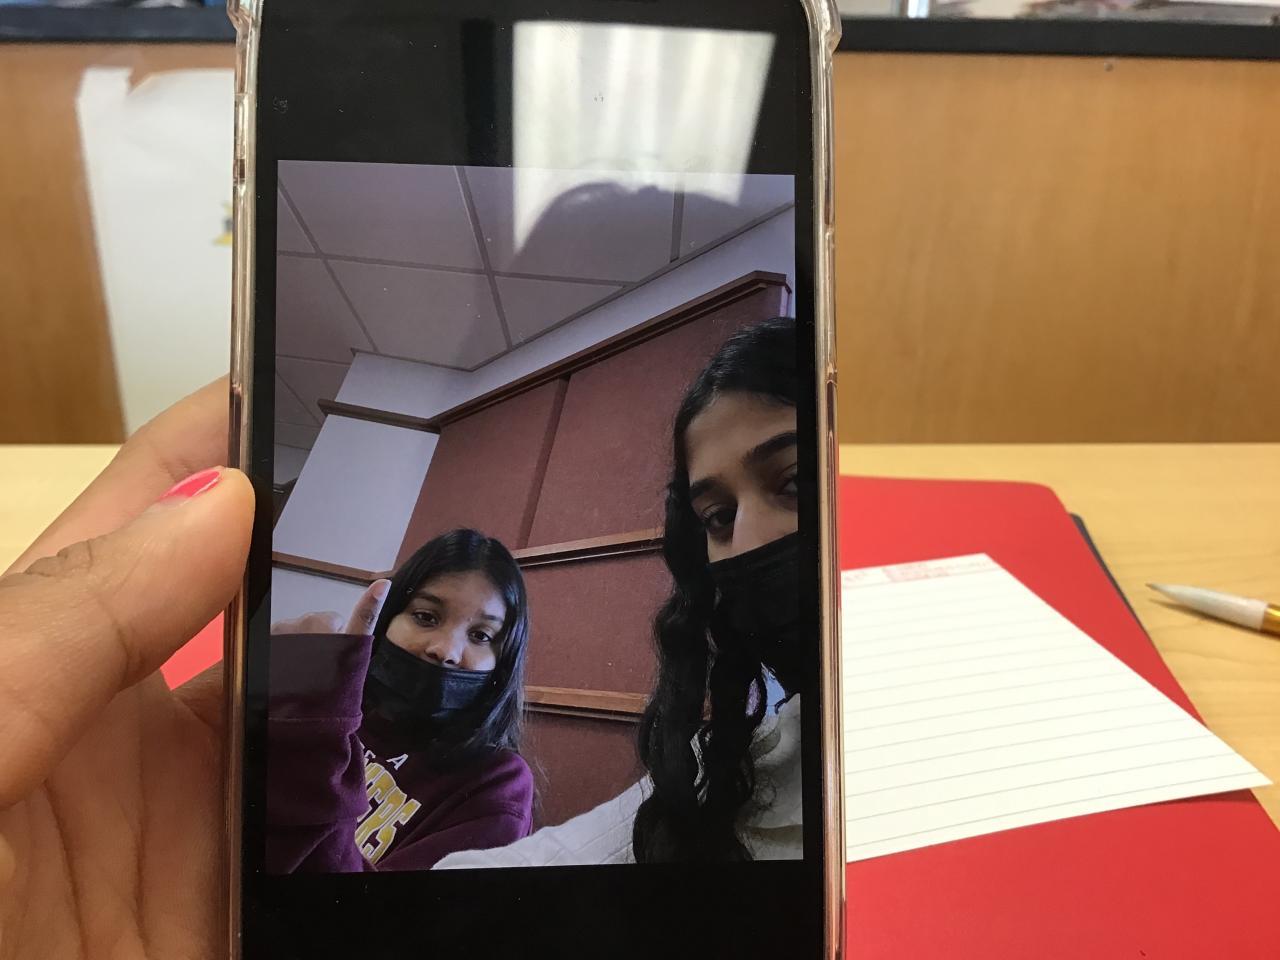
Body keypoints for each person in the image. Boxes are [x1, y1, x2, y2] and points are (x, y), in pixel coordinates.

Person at [436, 316, 803, 868]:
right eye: (719, 517)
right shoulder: (730, 767)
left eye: (796, 481)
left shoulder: (493, 784)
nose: (746, 542)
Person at [268, 529, 534, 872]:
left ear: (503, 664)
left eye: (481, 635)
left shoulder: (496, 786)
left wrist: (313, 743)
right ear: (387, 618)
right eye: (426, 617)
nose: (445, 650)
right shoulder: (326, 702)